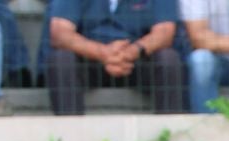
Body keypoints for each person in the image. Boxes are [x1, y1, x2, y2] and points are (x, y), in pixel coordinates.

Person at [47, 0, 189, 114]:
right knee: (60, 59)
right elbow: (60, 33)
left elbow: (164, 32)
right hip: (90, 60)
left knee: (168, 58)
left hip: (138, 60)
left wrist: (132, 51)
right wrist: (103, 53)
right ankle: (70, 137)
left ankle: (168, 135)